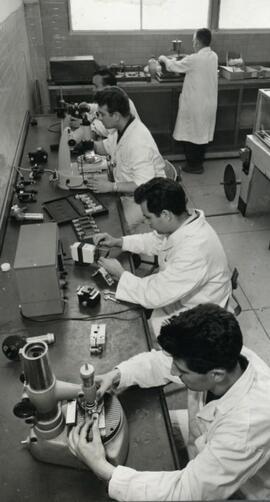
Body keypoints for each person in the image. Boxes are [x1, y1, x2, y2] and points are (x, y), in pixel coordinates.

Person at [68, 303, 270, 500]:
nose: (173, 372)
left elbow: (187, 492)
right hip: (205, 446)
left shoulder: (246, 428)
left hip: (238, 488)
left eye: (181, 372)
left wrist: (102, 468)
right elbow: (164, 362)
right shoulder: (225, 355)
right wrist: (117, 374)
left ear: (216, 375)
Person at [93, 177, 232, 336]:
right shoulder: (182, 223)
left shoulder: (195, 250)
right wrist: (119, 242)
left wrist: (121, 274)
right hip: (179, 295)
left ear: (166, 214)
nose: (146, 222)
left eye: (148, 217)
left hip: (198, 315)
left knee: (141, 335)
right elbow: (155, 241)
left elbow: (156, 294)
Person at [88, 87, 165, 231]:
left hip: (147, 198)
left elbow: (144, 184)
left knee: (112, 228)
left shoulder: (138, 141)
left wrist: (111, 186)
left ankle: (124, 247)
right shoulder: (122, 129)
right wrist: (86, 144)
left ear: (116, 115)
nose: (99, 118)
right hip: (127, 191)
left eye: (102, 114)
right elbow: (105, 147)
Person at [159, 28, 218, 175]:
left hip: (196, 105)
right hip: (208, 103)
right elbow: (190, 63)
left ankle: (193, 166)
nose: (193, 44)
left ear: (197, 42)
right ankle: (197, 164)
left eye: (193, 41)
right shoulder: (213, 56)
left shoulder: (195, 59)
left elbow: (174, 66)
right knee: (201, 134)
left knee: (191, 135)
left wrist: (163, 58)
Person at [79, 67, 139, 138]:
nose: (93, 89)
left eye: (96, 86)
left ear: (108, 88)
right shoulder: (113, 99)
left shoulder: (119, 103)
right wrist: (88, 107)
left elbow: (103, 129)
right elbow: (100, 108)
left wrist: (81, 124)